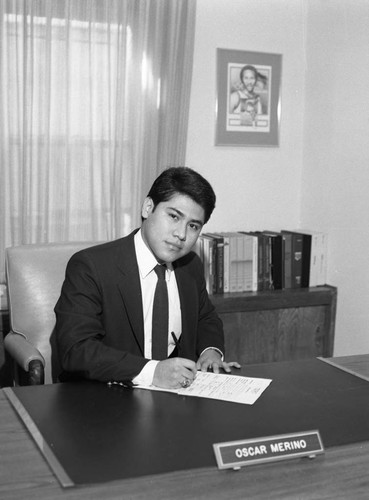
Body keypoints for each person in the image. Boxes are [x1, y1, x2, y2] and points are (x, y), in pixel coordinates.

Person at [55, 166, 239, 390]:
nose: (181, 234)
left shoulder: (191, 265)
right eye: (173, 216)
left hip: (178, 399)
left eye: (193, 226)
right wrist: (152, 372)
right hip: (107, 396)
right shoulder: (90, 266)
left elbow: (205, 318)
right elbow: (76, 349)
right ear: (147, 207)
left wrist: (210, 351)